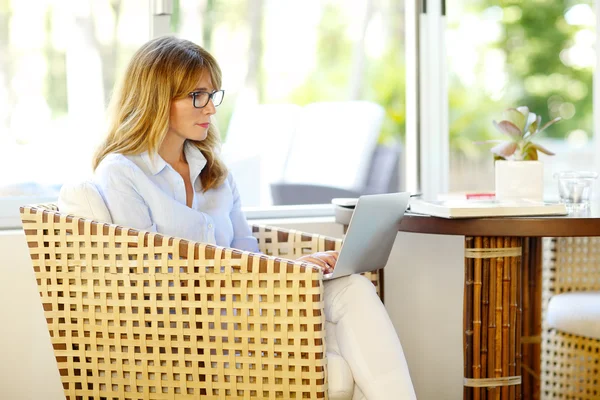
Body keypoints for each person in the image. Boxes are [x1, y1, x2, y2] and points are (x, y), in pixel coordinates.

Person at [90, 36, 416, 399]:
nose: (211, 109)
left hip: (247, 300)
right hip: (189, 323)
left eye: (213, 95)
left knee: (353, 287)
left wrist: (292, 269)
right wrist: (277, 275)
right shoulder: (121, 172)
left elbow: (247, 250)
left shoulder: (215, 173)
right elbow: (153, 277)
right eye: (197, 96)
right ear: (156, 99)